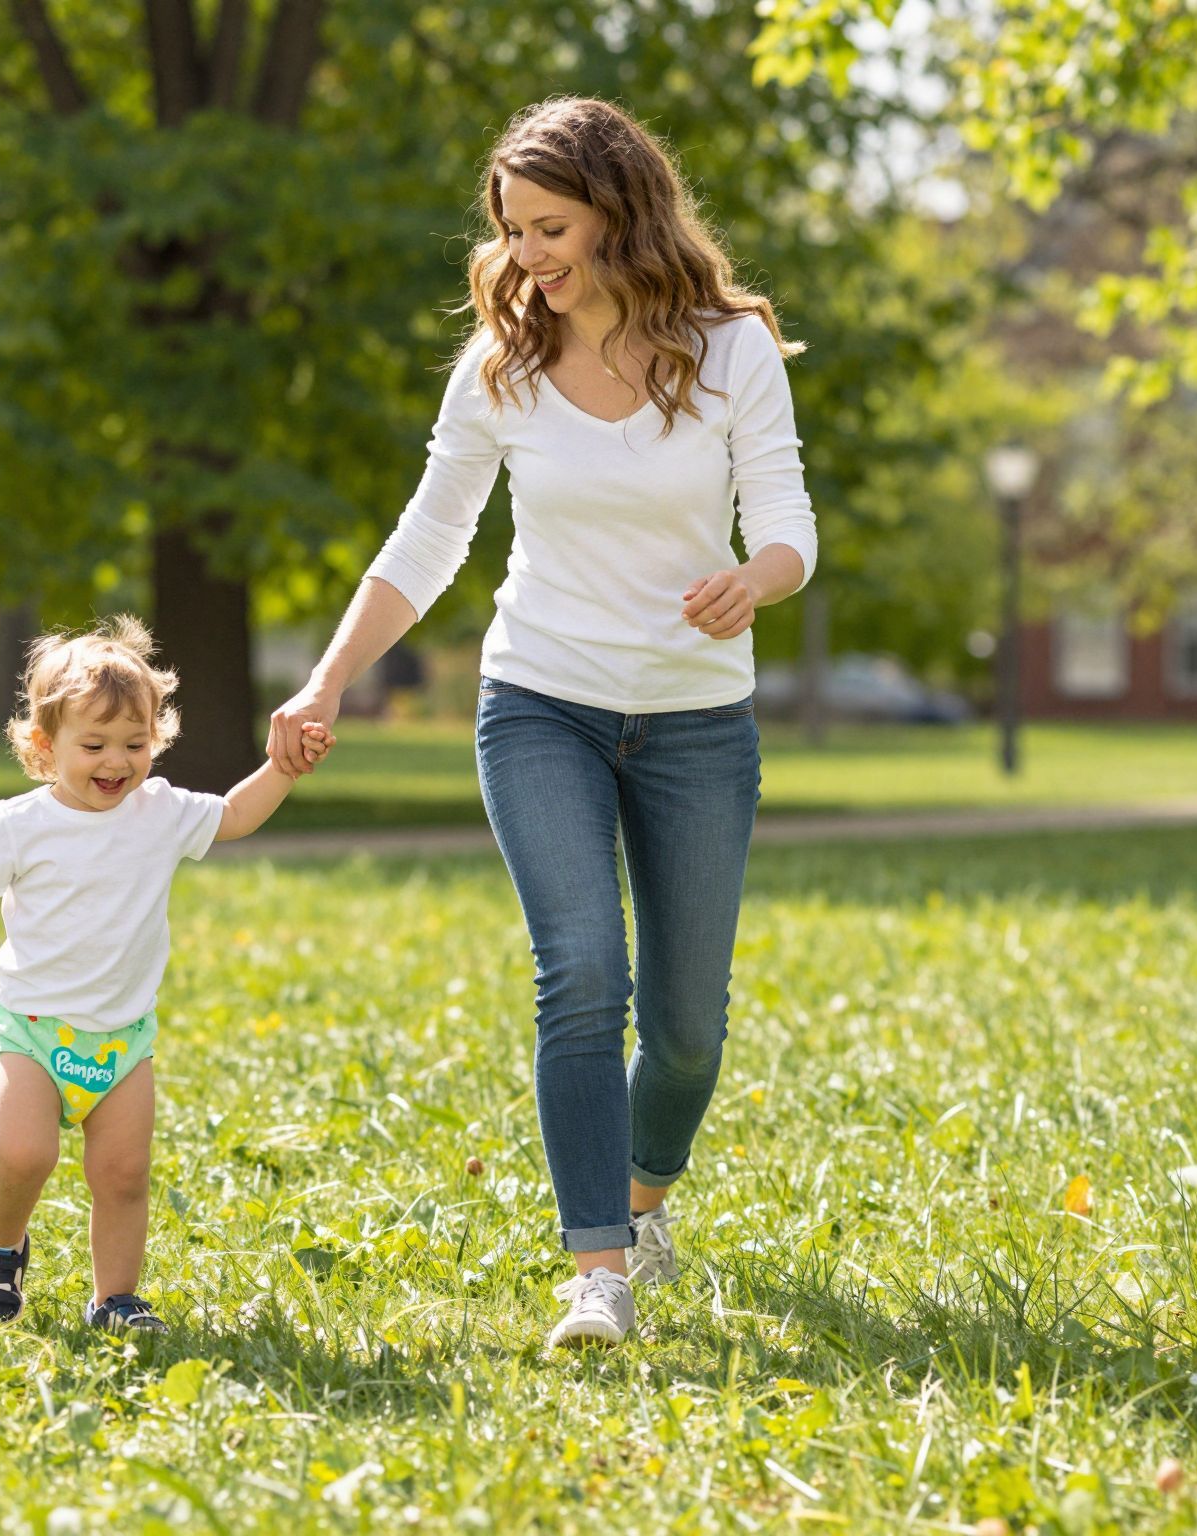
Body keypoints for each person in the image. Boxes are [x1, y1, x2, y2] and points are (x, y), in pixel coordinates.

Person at [266, 98, 818, 1348]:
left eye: (551, 227)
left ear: (621, 213)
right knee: (579, 977)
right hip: (540, 703)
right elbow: (430, 534)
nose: (528, 257)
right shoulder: (501, 365)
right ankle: (596, 1273)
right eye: (513, 232)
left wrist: (758, 577)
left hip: (692, 720)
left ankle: (643, 1197)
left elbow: (788, 520)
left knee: (683, 1030)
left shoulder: (728, 351)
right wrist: (327, 677)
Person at [0, 615, 333, 1329]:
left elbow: (237, 816)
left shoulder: (160, 813)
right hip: (32, 1027)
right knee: (24, 1153)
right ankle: (0, 1249)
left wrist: (282, 767)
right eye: (93, 745)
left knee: (122, 1177)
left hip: (122, 1039)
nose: (115, 762)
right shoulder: (22, 824)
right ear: (43, 744)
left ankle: (115, 1298)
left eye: (135, 743)